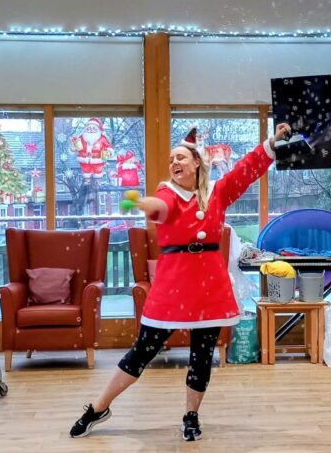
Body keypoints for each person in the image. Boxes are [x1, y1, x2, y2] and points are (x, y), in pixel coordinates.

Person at [70, 123, 291, 441]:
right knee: (141, 352)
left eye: (181, 158)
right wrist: (143, 204)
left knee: (201, 356)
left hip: (209, 288)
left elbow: (246, 170)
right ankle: (98, 407)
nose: (174, 163)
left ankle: (191, 415)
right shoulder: (167, 191)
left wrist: (271, 143)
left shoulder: (217, 192)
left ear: (196, 162)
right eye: (172, 159)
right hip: (173, 288)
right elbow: (162, 208)